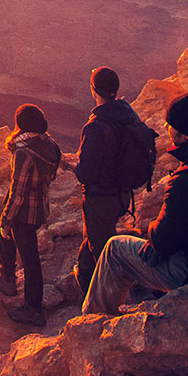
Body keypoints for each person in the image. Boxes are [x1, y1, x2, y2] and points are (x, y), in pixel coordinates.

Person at [82, 90, 188, 315]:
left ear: (184, 135)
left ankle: (93, 322)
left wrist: (153, 227)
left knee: (115, 247)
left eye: (170, 126)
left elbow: (162, 240)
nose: (168, 130)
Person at [70, 66, 153, 300]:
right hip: (123, 193)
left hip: (101, 198)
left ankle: (114, 303)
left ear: (93, 89)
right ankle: (86, 282)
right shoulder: (127, 115)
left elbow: (86, 173)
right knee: (94, 244)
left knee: (103, 253)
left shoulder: (96, 126)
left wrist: (72, 166)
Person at [0, 103, 61, 327]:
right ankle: (6, 277)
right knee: (8, 236)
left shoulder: (24, 152)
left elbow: (18, 193)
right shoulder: (50, 144)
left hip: (25, 211)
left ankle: (33, 308)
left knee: (29, 258)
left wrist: (7, 220)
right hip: (40, 206)